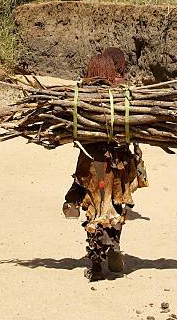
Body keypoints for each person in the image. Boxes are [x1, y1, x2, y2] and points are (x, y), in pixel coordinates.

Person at [62, 49, 148, 281]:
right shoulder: (122, 93)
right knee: (115, 204)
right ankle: (115, 245)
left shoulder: (80, 94)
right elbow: (135, 127)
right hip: (117, 163)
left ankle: (96, 262)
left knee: (93, 206)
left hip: (91, 162)